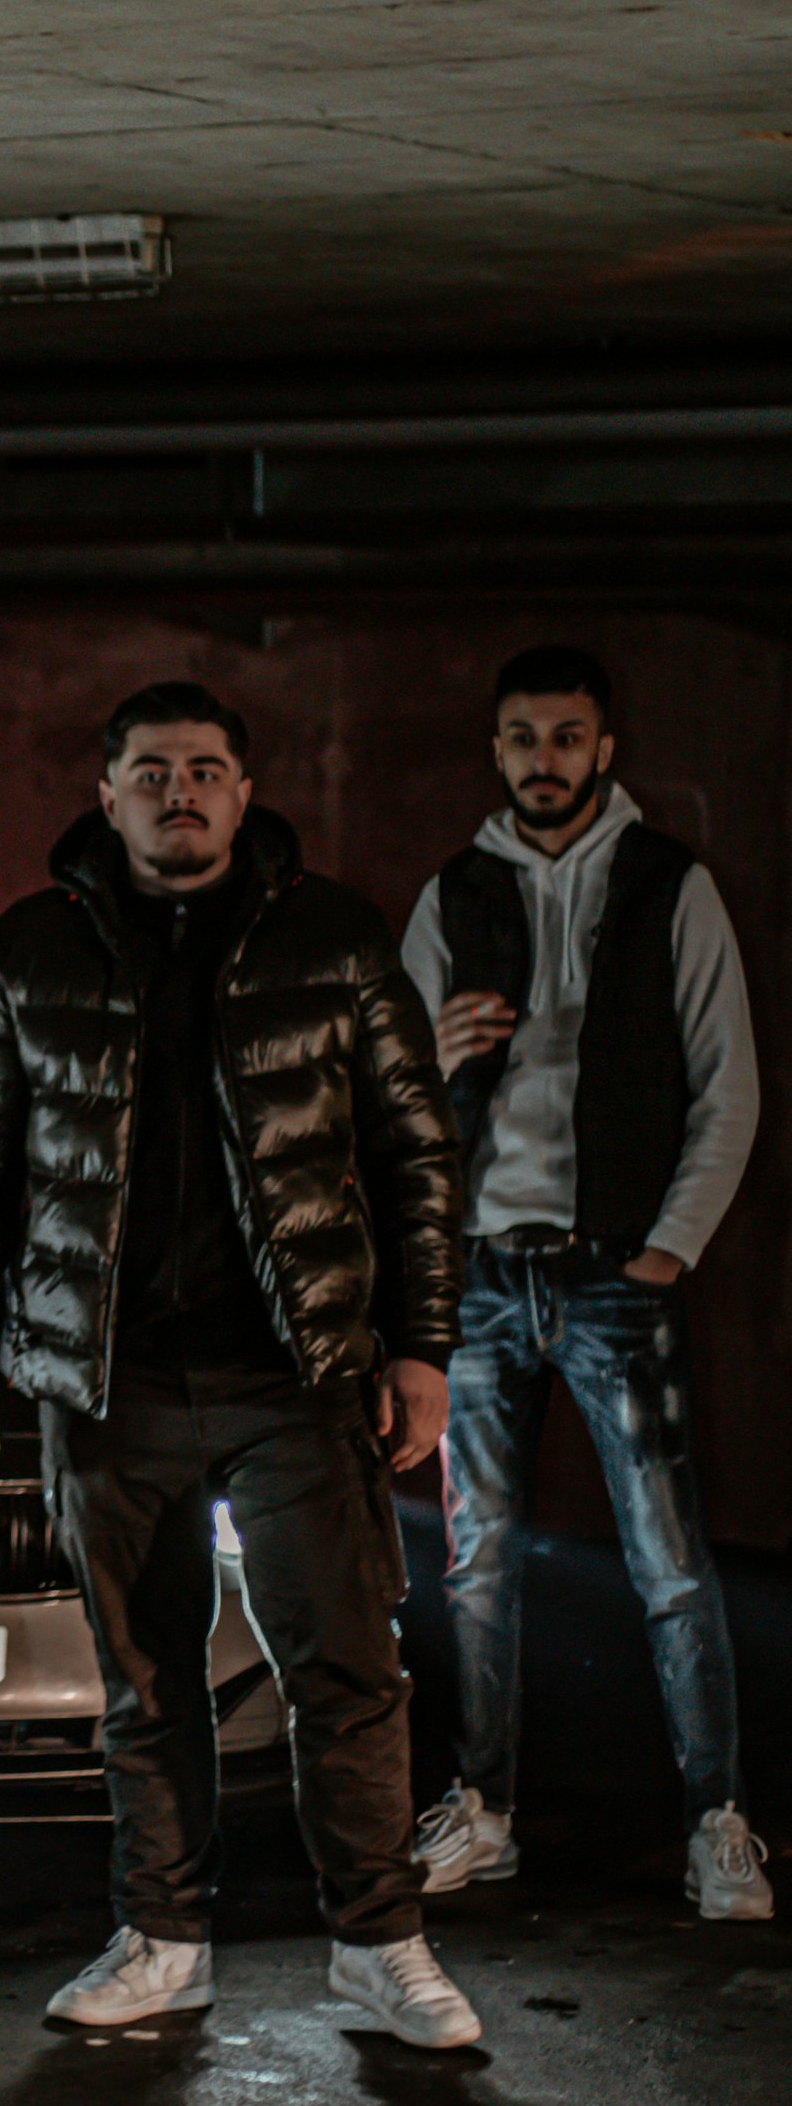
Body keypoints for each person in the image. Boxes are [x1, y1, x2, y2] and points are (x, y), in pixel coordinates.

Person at [0, 680, 481, 2049]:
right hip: (102, 1385)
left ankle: (380, 1945)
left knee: (346, 1665)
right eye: (152, 769)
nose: (182, 791)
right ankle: (164, 1940)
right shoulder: (30, 946)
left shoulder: (332, 936)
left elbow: (414, 1151)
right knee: (147, 1680)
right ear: (105, 795)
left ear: (243, 788)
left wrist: (423, 1345)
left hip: (300, 1373)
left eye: (207, 768)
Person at [402, 644, 768, 1918]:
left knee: (669, 1565)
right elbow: (380, 1109)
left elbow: (730, 1084)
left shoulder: (672, 884)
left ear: (603, 748)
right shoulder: (452, 894)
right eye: (521, 738)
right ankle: (483, 1813)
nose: (542, 760)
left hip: (618, 1270)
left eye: (566, 737)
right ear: (495, 750)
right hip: (482, 1277)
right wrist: (432, 1058)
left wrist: (669, 1245)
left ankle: (717, 1821)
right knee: (475, 1563)